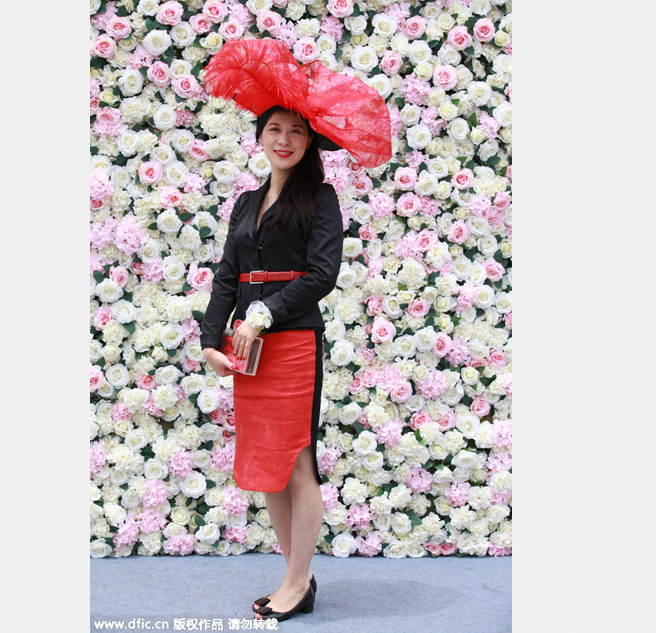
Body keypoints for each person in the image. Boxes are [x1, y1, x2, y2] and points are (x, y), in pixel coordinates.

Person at [199, 38, 392, 623]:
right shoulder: (244, 203)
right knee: (266, 467)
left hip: (292, 344)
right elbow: (228, 275)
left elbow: (321, 276)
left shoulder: (322, 199)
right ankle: (294, 577)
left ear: (311, 144)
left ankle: (298, 580)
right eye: (274, 129)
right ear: (259, 136)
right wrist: (212, 336)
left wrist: (263, 316)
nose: (283, 139)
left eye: (295, 132)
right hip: (245, 351)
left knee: (298, 463)